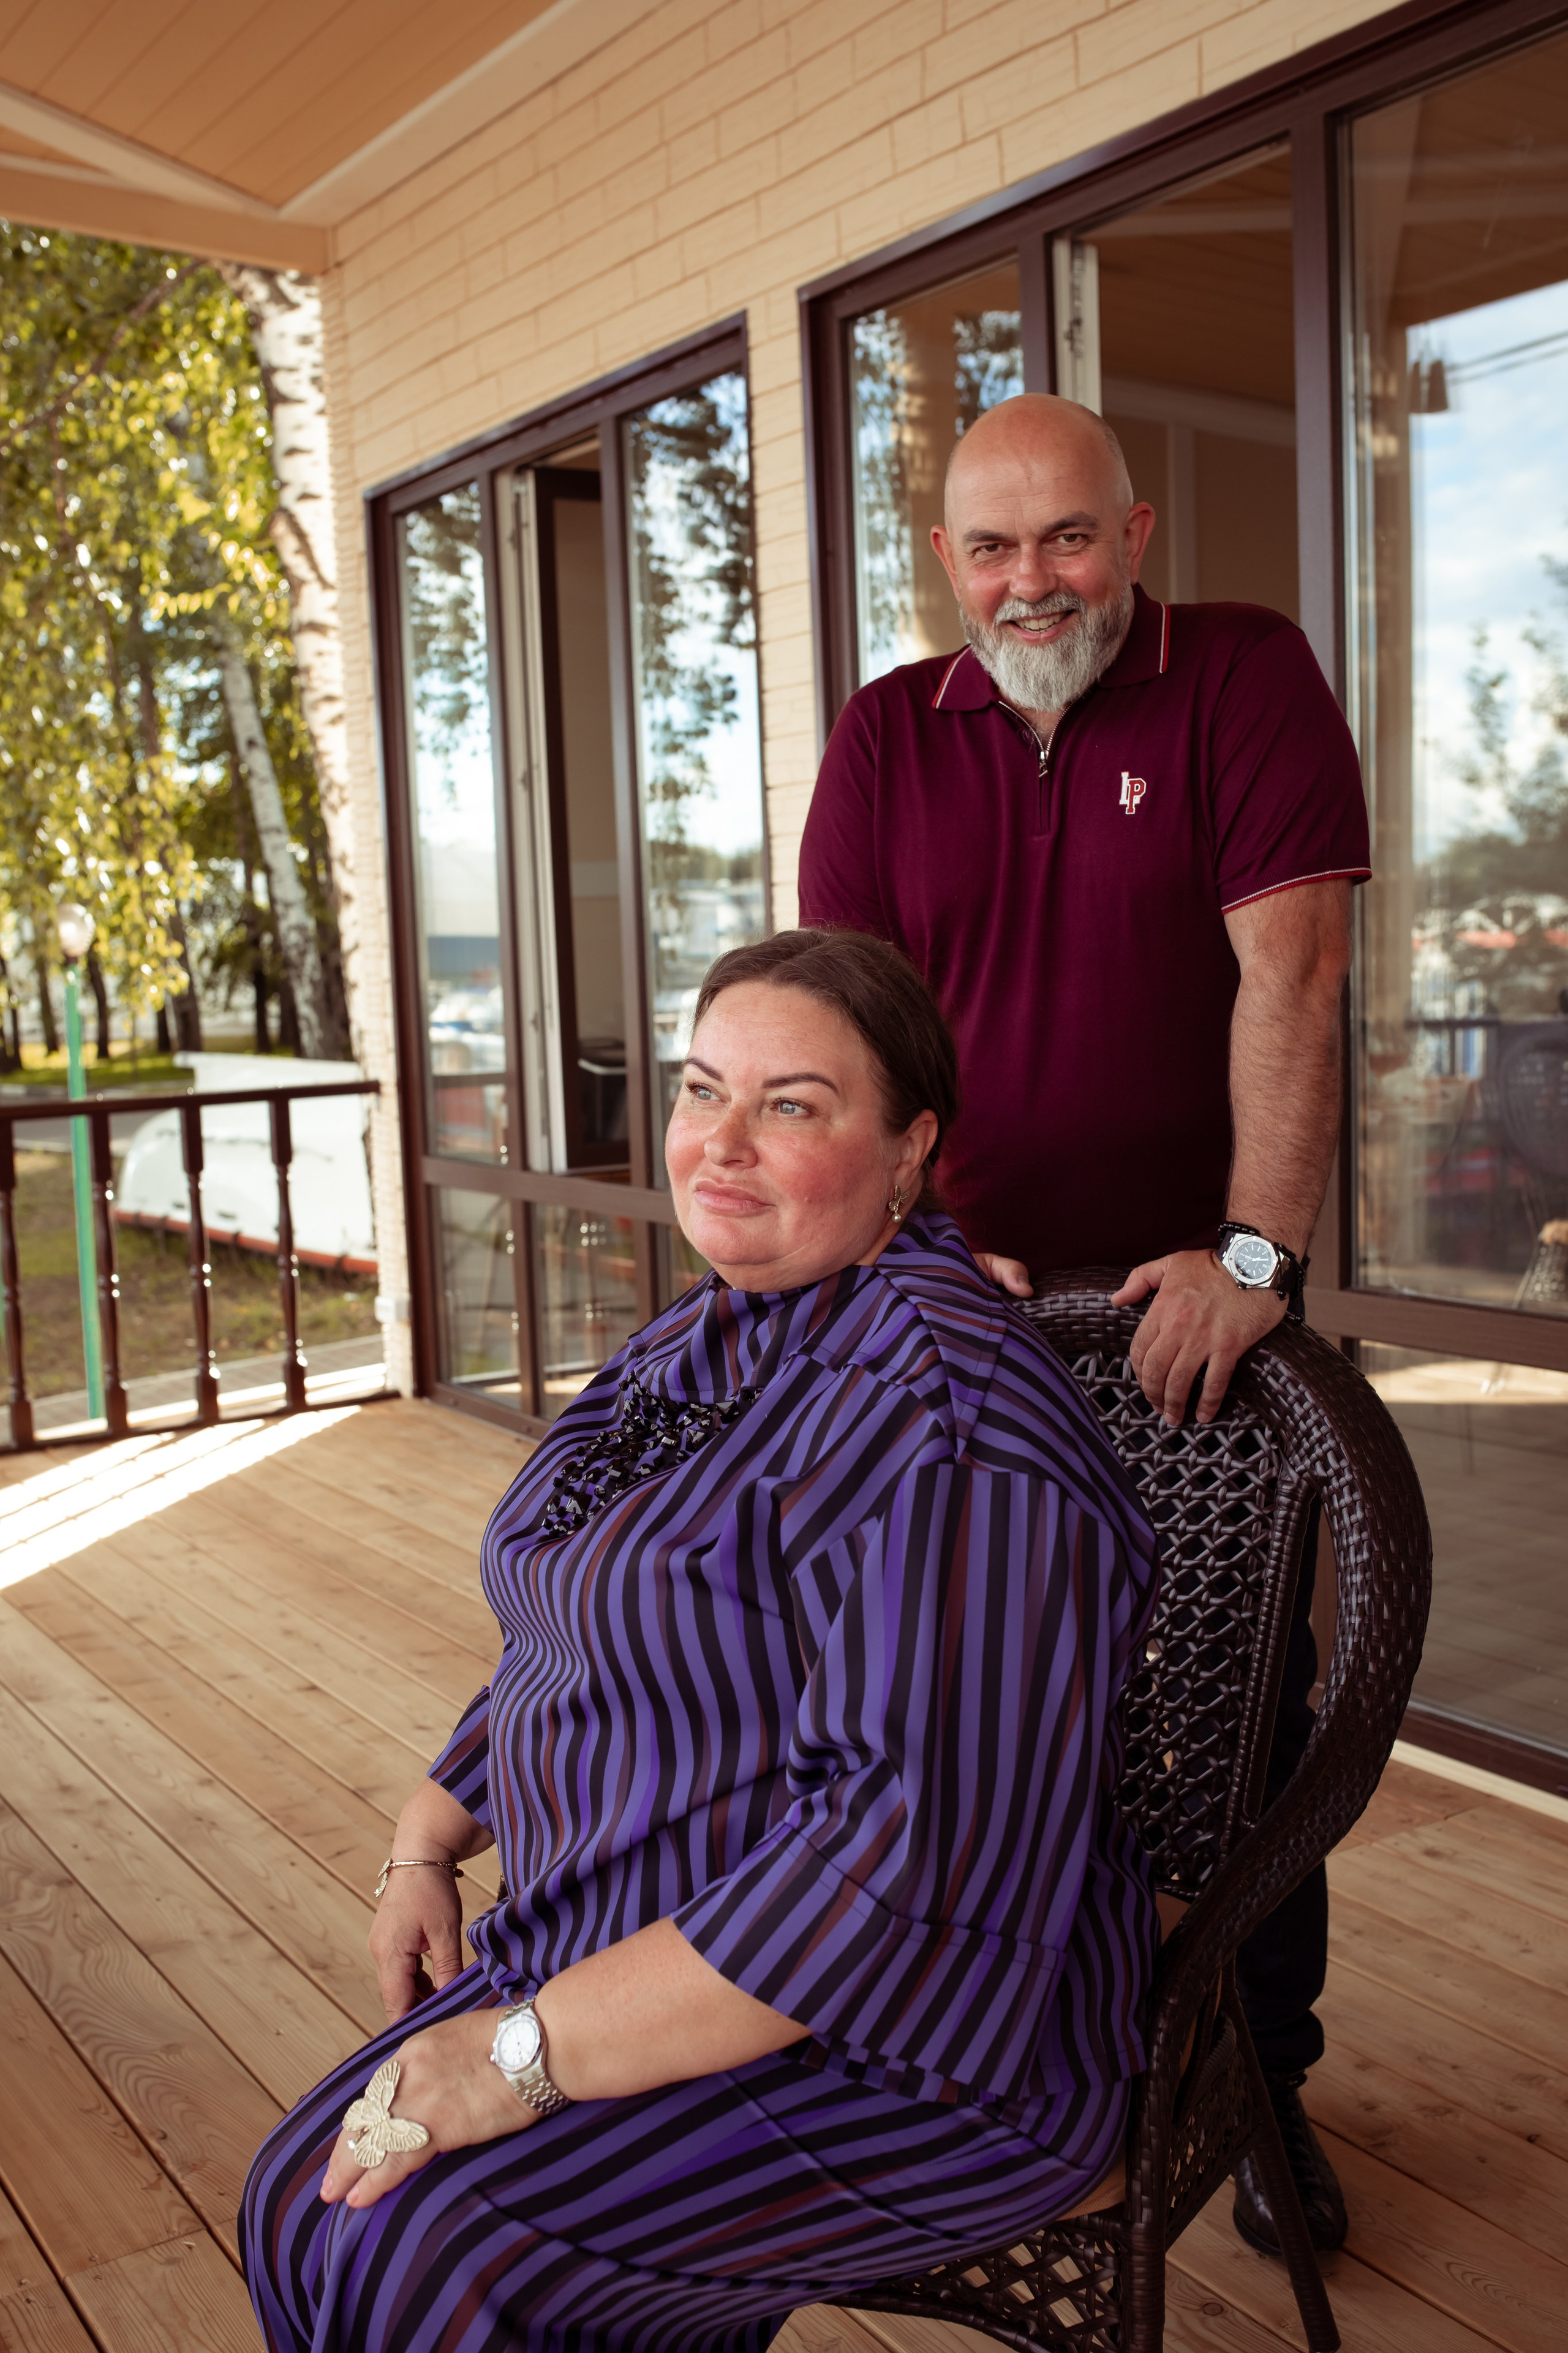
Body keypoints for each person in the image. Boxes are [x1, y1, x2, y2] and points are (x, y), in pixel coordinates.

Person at [243, 927, 1162, 2353]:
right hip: (626, 1943)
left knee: (419, 2252)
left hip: (907, 2042)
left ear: (909, 1148)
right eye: (700, 1089)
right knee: (297, 2200)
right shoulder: (712, 1331)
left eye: (791, 1104)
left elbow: (901, 1865)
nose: (720, 1144)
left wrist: (518, 2055)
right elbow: (594, 1614)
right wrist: (428, 1837)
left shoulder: (956, 1424)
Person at [798, 392, 1370, 2258]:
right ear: (945, 561)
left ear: (1133, 535)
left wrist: (1253, 1256)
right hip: (952, 1313)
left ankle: (1255, 2077)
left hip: (1191, 1307)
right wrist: (909, 1240)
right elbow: (849, 1028)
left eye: (1064, 537)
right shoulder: (887, 733)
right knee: (954, 1695)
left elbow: (1293, 969)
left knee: (1235, 1710)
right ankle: (1012, 2064)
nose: (1028, 579)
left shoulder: (1243, 675)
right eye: (990, 546)